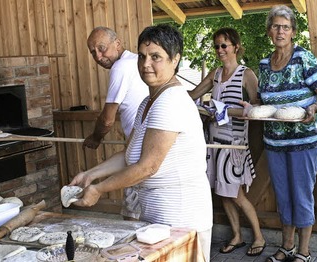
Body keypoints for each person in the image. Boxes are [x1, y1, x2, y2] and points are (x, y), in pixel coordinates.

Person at [70, 24, 213, 261]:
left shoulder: (171, 101)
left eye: (156, 57)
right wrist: (90, 175)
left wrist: (99, 189)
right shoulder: (148, 102)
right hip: (158, 220)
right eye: (143, 56)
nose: (146, 64)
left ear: (175, 60)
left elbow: (148, 166)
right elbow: (129, 155)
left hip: (181, 219)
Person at [254, 5, 317, 262]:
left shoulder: (304, 58)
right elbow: (263, 102)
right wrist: (250, 108)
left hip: (305, 140)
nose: (280, 31)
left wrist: (313, 106)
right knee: (283, 195)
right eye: (275, 26)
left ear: (293, 32)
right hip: (275, 141)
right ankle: (286, 246)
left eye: (285, 27)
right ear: (269, 31)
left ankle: (304, 251)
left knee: (301, 193)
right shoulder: (265, 64)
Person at [188, 28, 265, 256]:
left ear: (236, 47)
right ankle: (237, 236)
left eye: (224, 45)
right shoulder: (215, 74)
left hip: (234, 142)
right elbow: (193, 94)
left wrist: (226, 112)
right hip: (214, 141)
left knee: (236, 194)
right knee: (223, 193)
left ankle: (259, 237)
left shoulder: (246, 74)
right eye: (217, 46)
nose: (220, 50)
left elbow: (256, 107)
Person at [84, 27, 149, 220]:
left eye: (101, 48)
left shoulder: (121, 67)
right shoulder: (135, 62)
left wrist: (95, 138)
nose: (98, 56)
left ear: (118, 44)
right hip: (139, 147)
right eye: (93, 52)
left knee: (133, 219)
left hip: (141, 152)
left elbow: (107, 119)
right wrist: (90, 174)